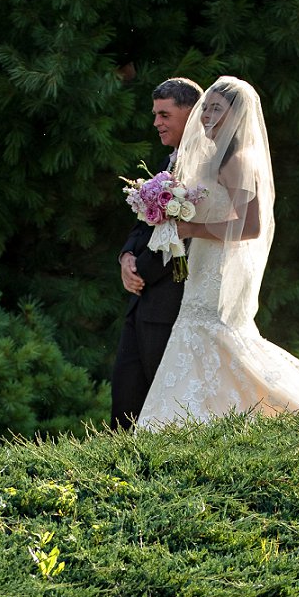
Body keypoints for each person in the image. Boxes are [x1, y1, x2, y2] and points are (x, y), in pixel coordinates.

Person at [136, 76, 299, 431]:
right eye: (206, 107)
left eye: (216, 109)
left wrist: (192, 229)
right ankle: (206, 420)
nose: (207, 115)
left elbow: (250, 227)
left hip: (220, 267)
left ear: (236, 114)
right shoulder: (212, 158)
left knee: (215, 336)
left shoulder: (236, 160)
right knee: (205, 338)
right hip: (203, 261)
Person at [112, 77, 201, 428]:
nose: (156, 123)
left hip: (169, 304)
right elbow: (146, 223)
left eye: (164, 114)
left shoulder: (202, 168)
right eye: (155, 114)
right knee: (125, 399)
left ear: (189, 113)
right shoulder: (169, 161)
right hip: (143, 300)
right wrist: (125, 258)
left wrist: (142, 272)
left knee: (161, 409)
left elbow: (186, 237)